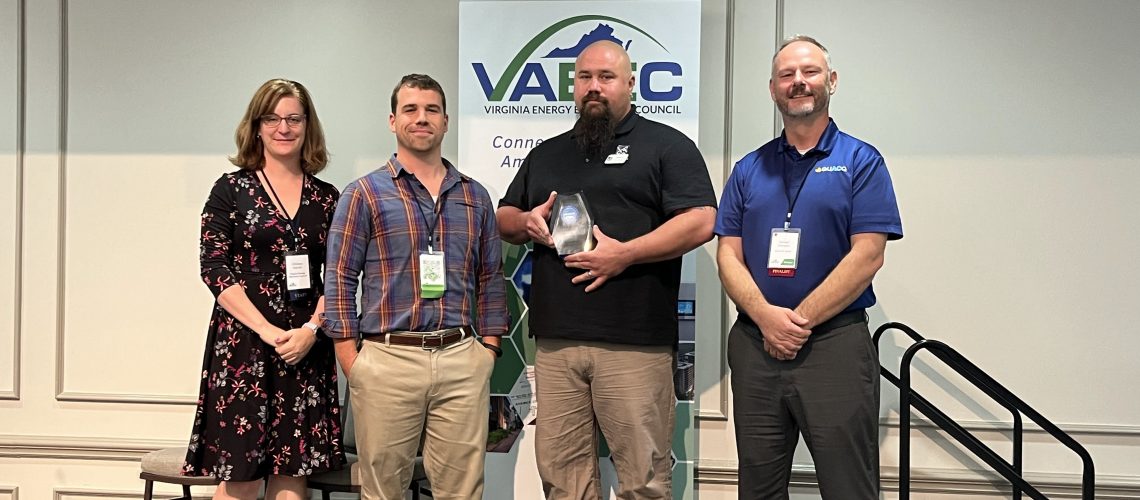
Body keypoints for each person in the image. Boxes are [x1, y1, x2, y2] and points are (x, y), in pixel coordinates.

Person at [497, 41, 717, 500]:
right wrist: (527, 222)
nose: (594, 87)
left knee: (643, 480)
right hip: (557, 343)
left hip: (633, 343)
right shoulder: (546, 154)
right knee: (562, 478)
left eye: (606, 77)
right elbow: (505, 216)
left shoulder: (667, 146)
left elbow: (701, 220)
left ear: (630, 84)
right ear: (574, 86)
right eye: (585, 78)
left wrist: (627, 254)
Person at [715, 35, 903, 499]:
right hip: (755, 345)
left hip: (833, 345)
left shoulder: (861, 161)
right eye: (787, 75)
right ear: (773, 89)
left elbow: (868, 255)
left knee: (847, 488)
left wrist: (795, 323)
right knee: (757, 489)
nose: (798, 81)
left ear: (831, 81)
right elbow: (728, 255)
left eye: (810, 71)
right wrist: (766, 318)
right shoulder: (748, 168)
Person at [322, 74, 508, 500]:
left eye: (431, 110)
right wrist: (352, 360)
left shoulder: (475, 197)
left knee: (462, 491)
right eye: (410, 109)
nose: (421, 118)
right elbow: (340, 278)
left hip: (461, 358)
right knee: (383, 491)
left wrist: (489, 350)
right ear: (393, 121)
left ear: (446, 122)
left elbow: (490, 277)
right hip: (388, 359)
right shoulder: (364, 194)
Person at [183, 78, 346, 500]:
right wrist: (266, 330)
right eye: (271, 118)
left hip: (304, 347)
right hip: (244, 346)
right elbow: (213, 268)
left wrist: (311, 330)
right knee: (241, 477)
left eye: (294, 119)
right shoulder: (230, 190)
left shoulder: (328, 198)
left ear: (308, 126)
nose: (283, 128)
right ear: (256, 126)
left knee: (293, 473)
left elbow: (341, 275)